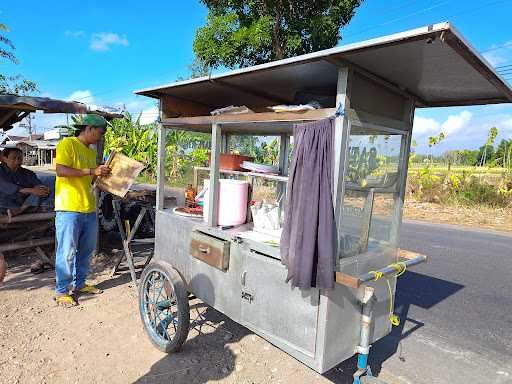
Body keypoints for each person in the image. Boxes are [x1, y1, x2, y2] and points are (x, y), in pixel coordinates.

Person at [54, 114, 111, 307]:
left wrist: (103, 177)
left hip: (88, 207)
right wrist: (92, 171)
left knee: (86, 251)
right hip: (69, 208)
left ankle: (80, 284)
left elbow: (91, 180)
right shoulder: (67, 144)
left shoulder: (90, 151)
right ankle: (62, 291)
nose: (101, 136)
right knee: (67, 252)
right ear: (88, 128)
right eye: (100, 132)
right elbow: (61, 171)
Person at [0, 147, 52, 217]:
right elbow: (7, 187)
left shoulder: (28, 173)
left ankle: (20, 210)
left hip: (25, 203)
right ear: (4, 159)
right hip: (5, 203)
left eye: (20, 158)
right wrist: (31, 190)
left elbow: (38, 184)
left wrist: (42, 189)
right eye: (14, 158)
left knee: (43, 191)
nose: (17, 161)